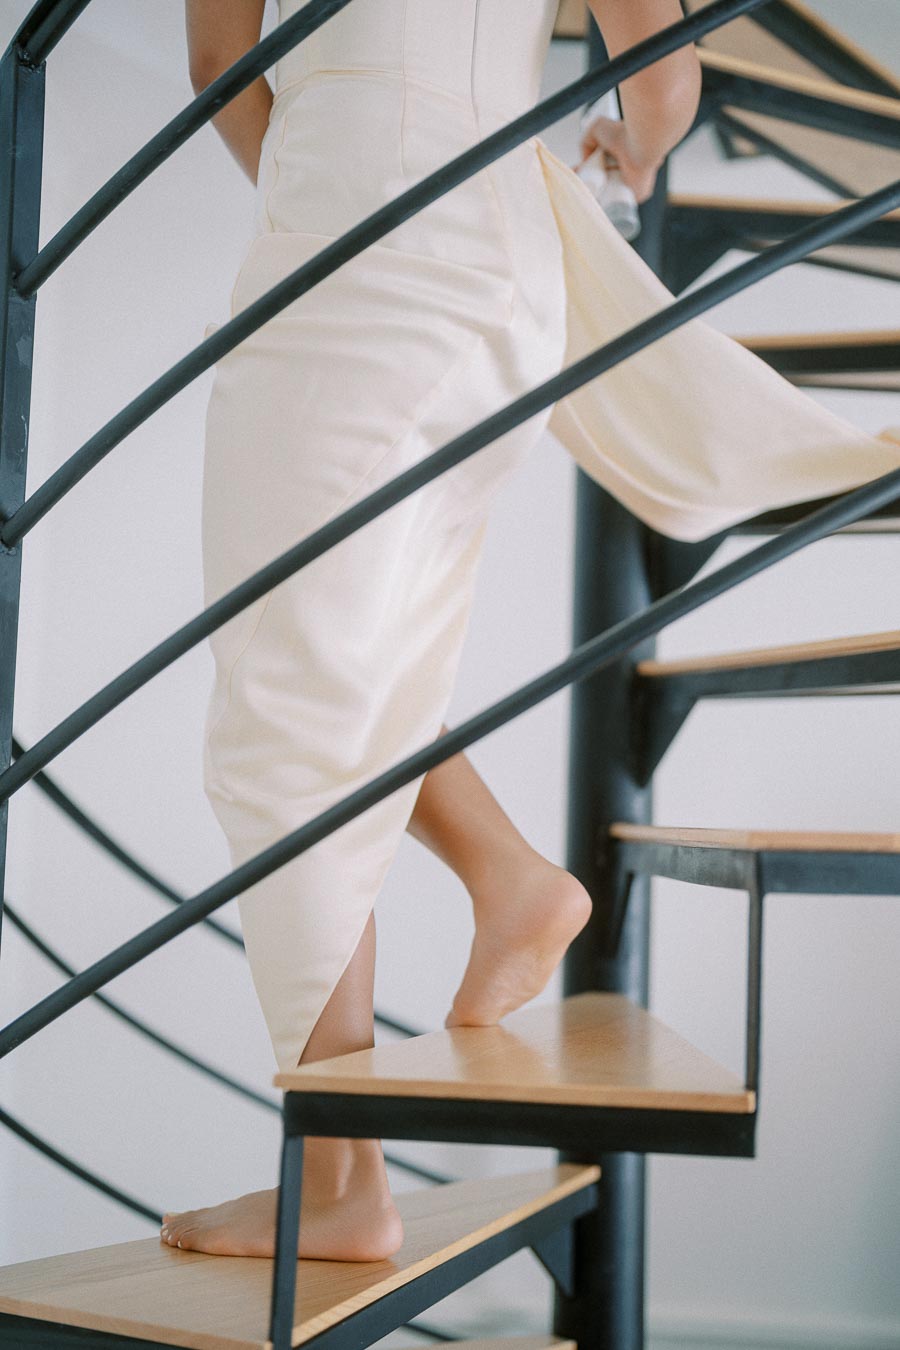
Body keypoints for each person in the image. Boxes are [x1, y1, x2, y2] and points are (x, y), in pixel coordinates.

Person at [160, 0, 899, 1262]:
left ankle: (341, 1179)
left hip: (355, 246)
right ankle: (507, 879)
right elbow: (665, 77)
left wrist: (333, 186)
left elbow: (223, 62)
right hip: (498, 265)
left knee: (286, 713)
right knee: (342, 668)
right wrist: (630, 155)